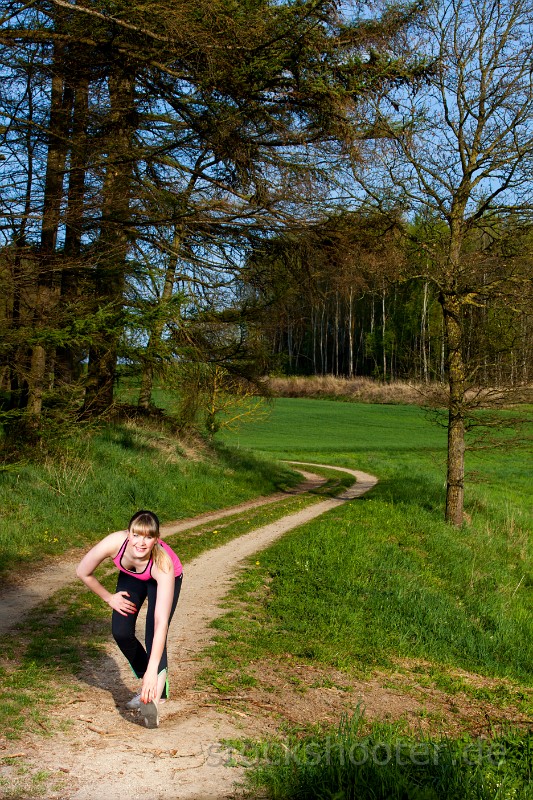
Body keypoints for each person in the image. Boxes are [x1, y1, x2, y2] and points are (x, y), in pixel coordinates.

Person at [76, 510, 183, 728]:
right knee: (121, 632)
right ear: (128, 533)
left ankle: (152, 694)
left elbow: (161, 621)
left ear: (156, 539)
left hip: (159, 577)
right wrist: (109, 598)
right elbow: (82, 571)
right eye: (136, 535)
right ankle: (151, 680)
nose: (140, 542)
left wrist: (152, 671)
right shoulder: (115, 543)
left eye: (148, 537)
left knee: (153, 634)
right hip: (131, 574)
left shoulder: (163, 564)